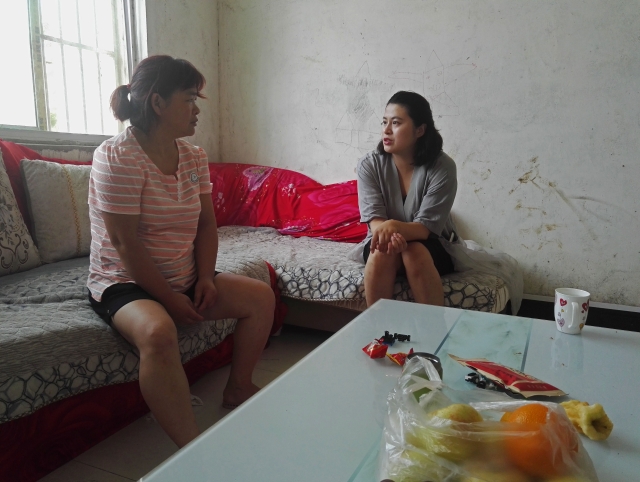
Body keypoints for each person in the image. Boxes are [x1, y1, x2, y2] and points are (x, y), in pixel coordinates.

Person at [87, 55, 275, 448]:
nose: (197, 110)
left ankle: (238, 388)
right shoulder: (117, 157)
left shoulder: (193, 156)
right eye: (189, 99)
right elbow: (124, 243)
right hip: (125, 281)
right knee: (158, 332)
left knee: (260, 296)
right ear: (158, 103)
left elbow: (206, 224)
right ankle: (192, 452)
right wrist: (169, 299)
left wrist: (204, 277)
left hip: (184, 273)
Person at [355, 91, 458, 308]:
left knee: (414, 252)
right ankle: (378, 327)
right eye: (384, 122)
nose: (386, 130)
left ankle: (433, 327)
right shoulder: (369, 165)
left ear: (420, 130)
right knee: (382, 251)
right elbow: (375, 222)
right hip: (382, 239)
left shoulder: (442, 167)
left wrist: (393, 226)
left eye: (396, 123)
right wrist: (390, 233)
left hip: (432, 243)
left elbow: (425, 229)